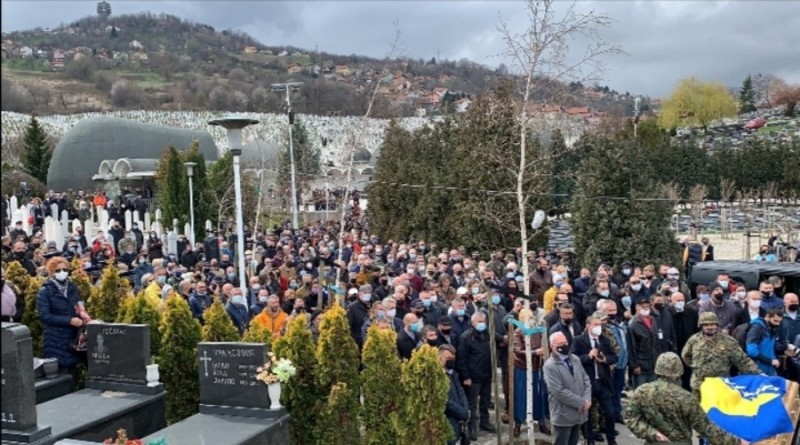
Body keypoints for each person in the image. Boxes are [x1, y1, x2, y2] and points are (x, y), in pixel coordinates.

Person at [624, 352, 747, 445]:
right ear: (680, 371)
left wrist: (652, 433)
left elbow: (629, 417)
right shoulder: (686, 398)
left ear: (657, 369)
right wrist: (736, 442)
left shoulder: (642, 391)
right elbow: (707, 429)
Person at [681, 312, 761, 396]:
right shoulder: (694, 340)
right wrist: (697, 368)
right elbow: (686, 355)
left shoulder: (728, 341)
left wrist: (759, 374)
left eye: (712, 324)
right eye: (706, 325)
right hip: (699, 387)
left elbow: (742, 361)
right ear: (701, 326)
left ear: (717, 325)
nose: (710, 327)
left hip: (720, 386)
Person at [571, 314, 618, 445]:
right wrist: (588, 356)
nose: (598, 327)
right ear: (588, 326)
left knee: (609, 412)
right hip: (587, 383)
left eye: (600, 325)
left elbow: (614, 357)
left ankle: (611, 439)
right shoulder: (579, 340)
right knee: (588, 415)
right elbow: (573, 359)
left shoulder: (604, 340)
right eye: (595, 325)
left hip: (602, 382)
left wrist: (605, 359)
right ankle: (589, 439)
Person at [36, 257, 84, 375]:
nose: (62, 272)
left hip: (72, 336)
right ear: (51, 272)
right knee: (62, 372)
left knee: (73, 371)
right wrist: (69, 320)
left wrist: (82, 313)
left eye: (65, 269)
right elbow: (45, 316)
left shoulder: (71, 287)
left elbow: (77, 304)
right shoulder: (45, 291)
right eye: (58, 270)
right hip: (56, 337)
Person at [543, 331, 592, 445]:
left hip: (579, 413)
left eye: (565, 342)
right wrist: (581, 402)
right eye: (560, 344)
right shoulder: (550, 366)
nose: (564, 345)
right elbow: (558, 391)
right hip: (563, 415)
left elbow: (586, 379)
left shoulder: (575, 359)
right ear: (552, 346)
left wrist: (587, 399)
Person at [456, 311, 497, 440]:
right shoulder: (466, 337)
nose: (481, 324)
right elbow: (462, 359)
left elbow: (496, 340)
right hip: (473, 377)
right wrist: (466, 377)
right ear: (472, 322)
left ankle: (485, 422)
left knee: (485, 400)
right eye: (479, 321)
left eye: (483, 321)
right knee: (472, 403)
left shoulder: (486, 334)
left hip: (486, 374)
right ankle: (472, 426)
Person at [511, 308, 550, 437]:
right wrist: (534, 352)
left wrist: (543, 351)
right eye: (529, 318)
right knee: (520, 396)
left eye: (532, 317)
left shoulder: (538, 331)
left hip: (536, 368)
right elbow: (517, 350)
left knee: (538, 396)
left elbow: (544, 345)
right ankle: (518, 423)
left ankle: (541, 422)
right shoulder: (517, 332)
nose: (532, 320)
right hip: (522, 369)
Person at [440, 344, 470, 445]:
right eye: (448, 358)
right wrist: (462, 413)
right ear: (439, 358)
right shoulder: (438, 377)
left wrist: (465, 408)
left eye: (453, 358)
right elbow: (446, 401)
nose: (451, 361)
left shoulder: (453, 373)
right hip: (448, 420)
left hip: (458, 419)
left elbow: (461, 391)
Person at [627, 297, 659, 388]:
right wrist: (635, 365)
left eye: (647, 307)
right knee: (641, 391)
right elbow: (631, 346)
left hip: (653, 363)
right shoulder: (633, 324)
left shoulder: (653, 320)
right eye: (643, 307)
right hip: (641, 365)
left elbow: (657, 342)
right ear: (638, 307)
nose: (646, 309)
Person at [745, 308, 784, 376]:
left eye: (779, 321)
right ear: (767, 317)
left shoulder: (771, 329)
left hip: (770, 369)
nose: (777, 324)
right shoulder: (757, 328)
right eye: (775, 321)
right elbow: (751, 351)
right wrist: (770, 361)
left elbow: (770, 348)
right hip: (757, 370)